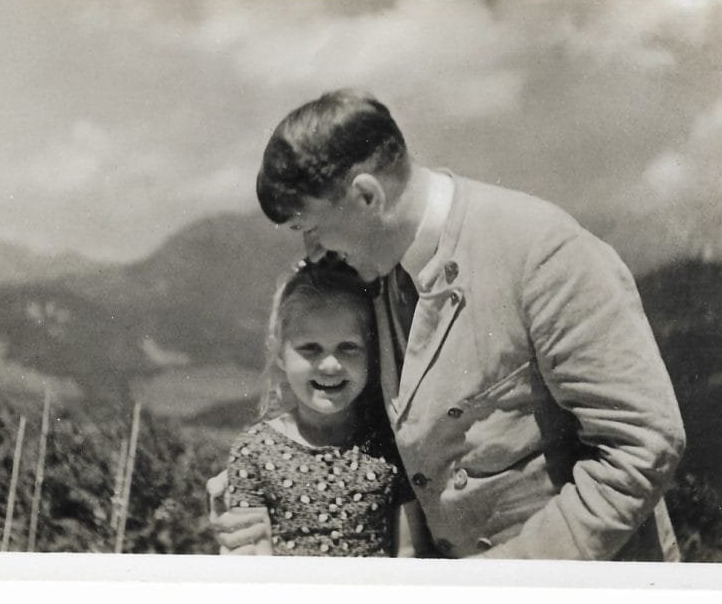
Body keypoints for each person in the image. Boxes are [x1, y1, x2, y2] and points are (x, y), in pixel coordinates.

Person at [210, 88, 686, 560]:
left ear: (366, 196)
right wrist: (261, 508)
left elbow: (643, 446)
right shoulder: (372, 271)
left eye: (310, 227)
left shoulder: (543, 252)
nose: (311, 249)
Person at [221, 255, 425, 557]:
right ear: (280, 354)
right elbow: (253, 563)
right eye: (310, 349)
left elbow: (410, 553)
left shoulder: (391, 444)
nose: (330, 365)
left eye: (348, 347)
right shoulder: (254, 452)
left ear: (370, 353)